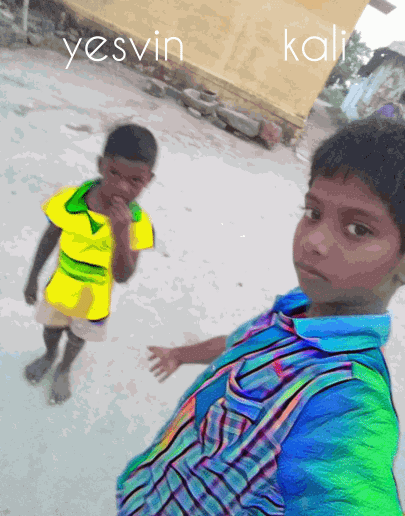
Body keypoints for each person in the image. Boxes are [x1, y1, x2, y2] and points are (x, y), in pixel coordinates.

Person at [117, 116, 404, 515]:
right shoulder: (298, 306)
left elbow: (346, 492)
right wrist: (181, 355)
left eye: (358, 229)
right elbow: (241, 345)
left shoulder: (348, 400)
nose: (315, 241)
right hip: (152, 493)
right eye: (313, 212)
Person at [23, 123, 157, 405]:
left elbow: (122, 276)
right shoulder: (68, 201)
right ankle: (49, 355)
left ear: (149, 180)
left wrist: (121, 234)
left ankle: (64, 368)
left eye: (135, 181)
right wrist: (33, 277)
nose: (122, 187)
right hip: (60, 289)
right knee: (50, 329)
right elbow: (49, 239)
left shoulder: (138, 225)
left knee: (77, 338)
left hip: (94, 302)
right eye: (114, 173)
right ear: (100, 165)